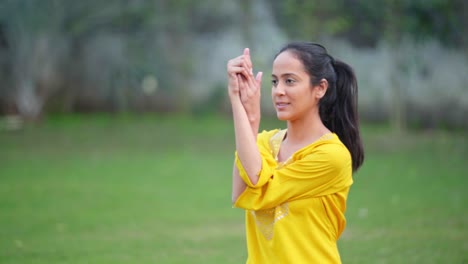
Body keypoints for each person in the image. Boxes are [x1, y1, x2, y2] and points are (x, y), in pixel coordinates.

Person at [226, 42, 364, 263]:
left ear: (320, 88)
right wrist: (239, 104)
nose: (279, 90)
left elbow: (259, 188)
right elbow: (240, 194)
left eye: (290, 81)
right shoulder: (262, 141)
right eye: (274, 81)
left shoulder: (332, 156)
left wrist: (249, 115)